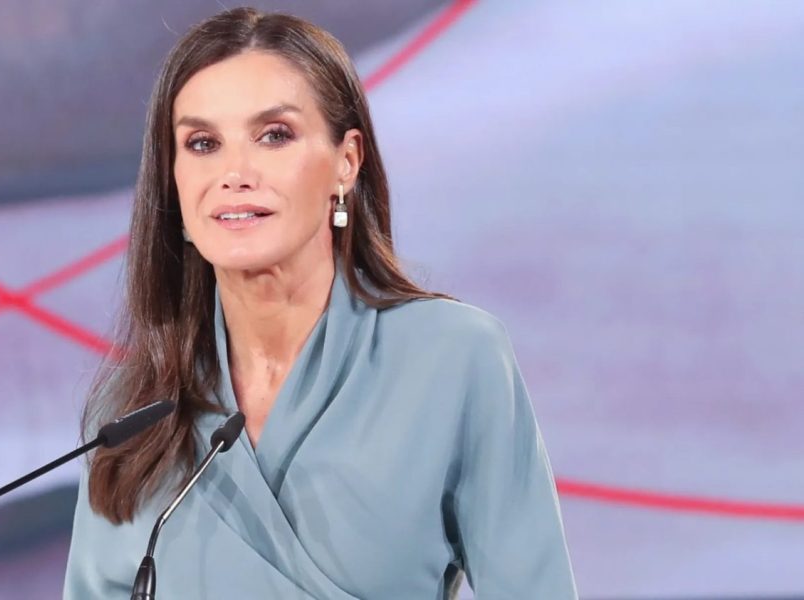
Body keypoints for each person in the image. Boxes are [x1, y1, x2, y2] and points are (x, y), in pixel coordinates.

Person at [64, 7, 576, 599]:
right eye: (203, 143)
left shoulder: (455, 357)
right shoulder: (131, 410)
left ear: (346, 162)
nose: (234, 173)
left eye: (274, 136)